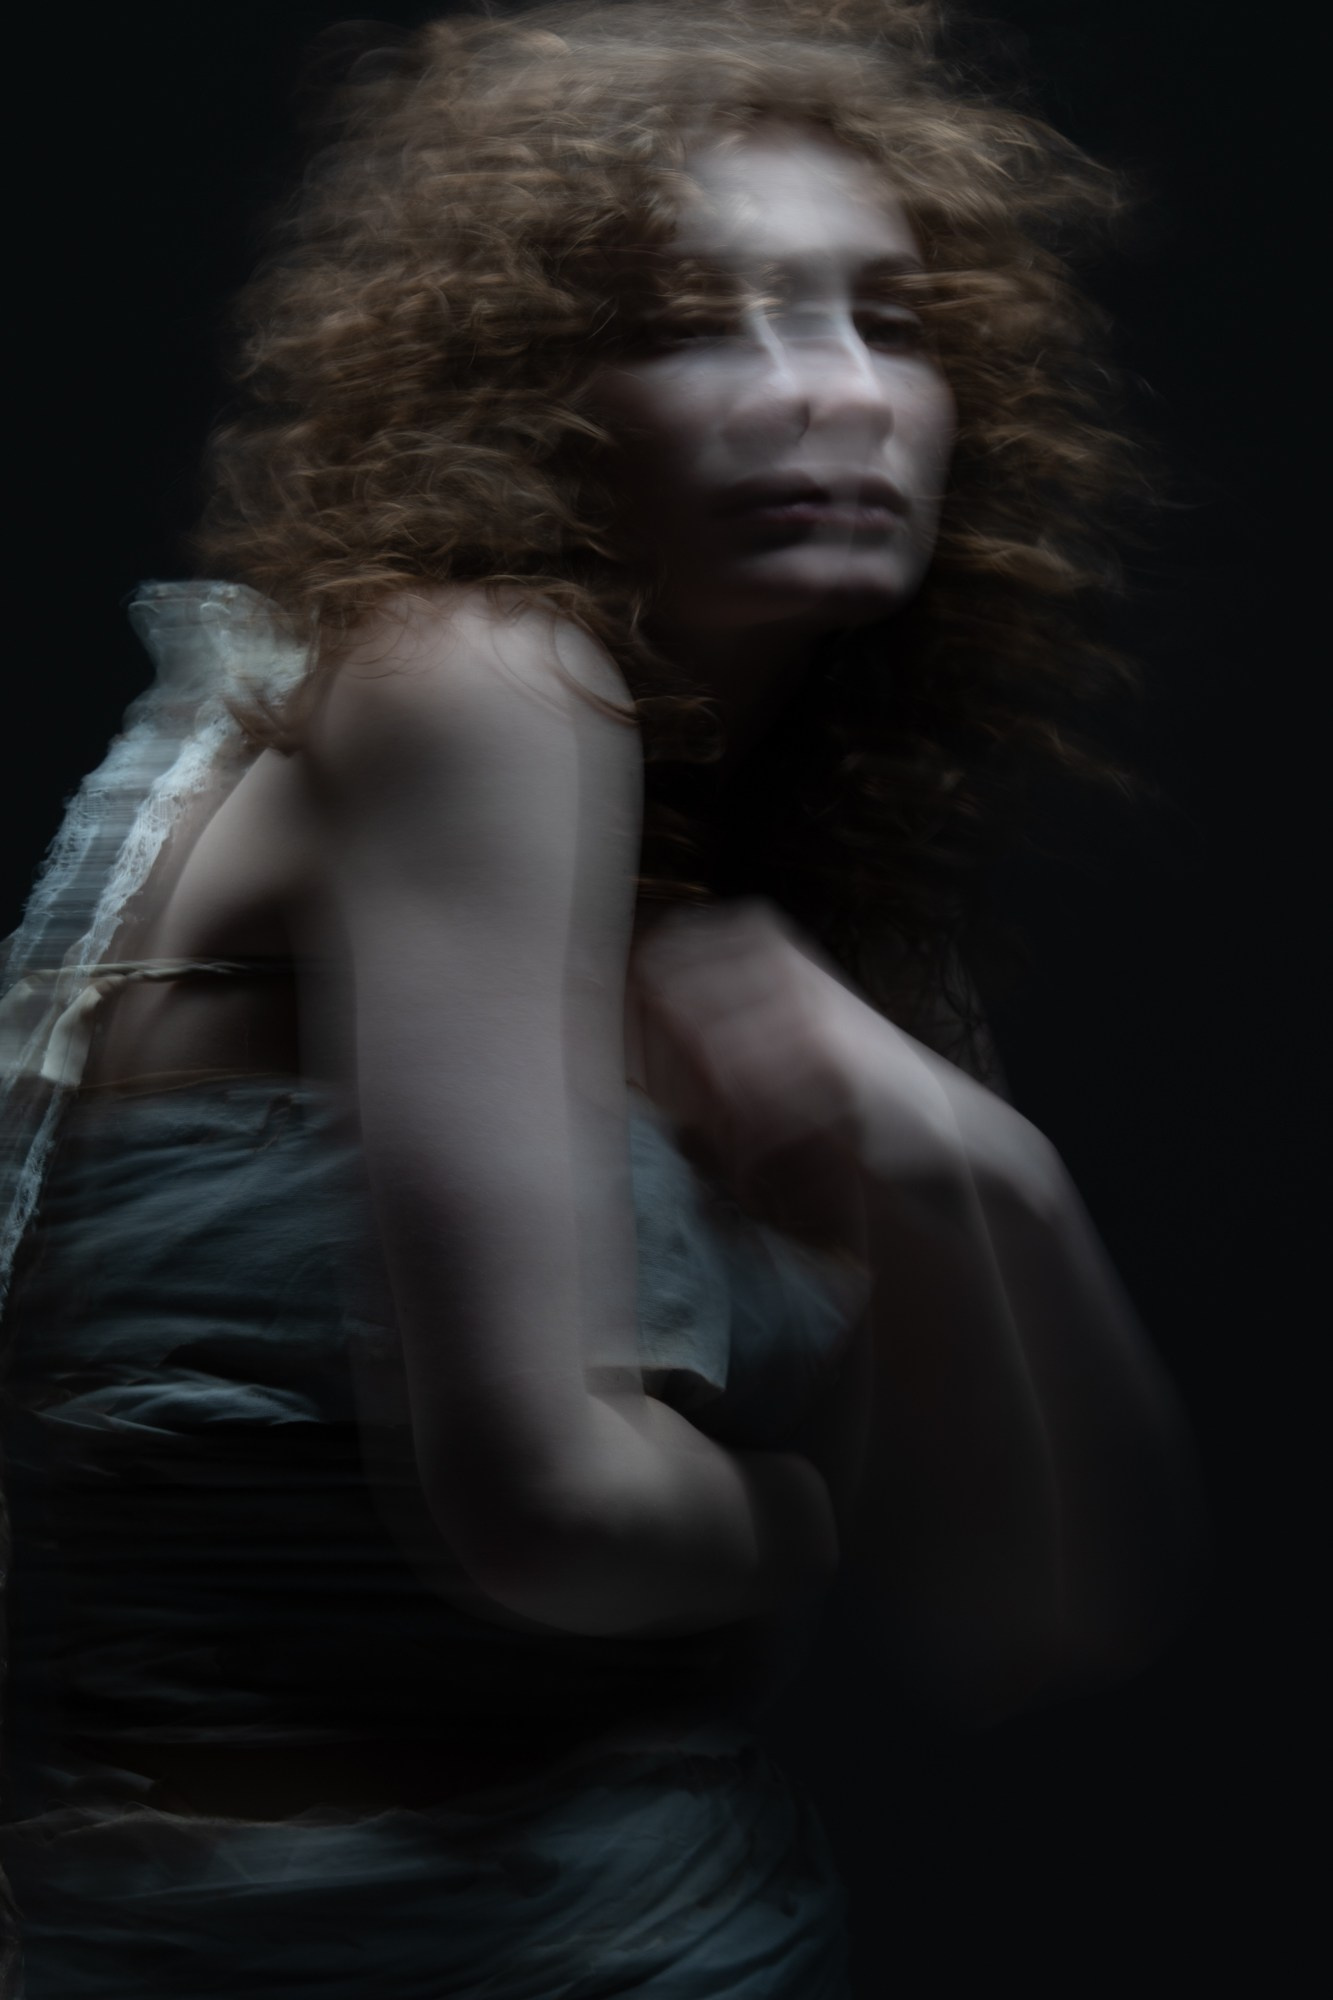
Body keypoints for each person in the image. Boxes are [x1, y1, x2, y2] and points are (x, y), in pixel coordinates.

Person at [0, 2, 1200, 1992]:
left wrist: (980, 1169)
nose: (826, 391)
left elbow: (1039, 1611)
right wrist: (805, 1517)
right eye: (697, 323)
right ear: (536, 391)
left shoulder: (823, 912)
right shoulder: (482, 685)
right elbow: (544, 1508)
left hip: (663, 1934)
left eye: (887, 321)